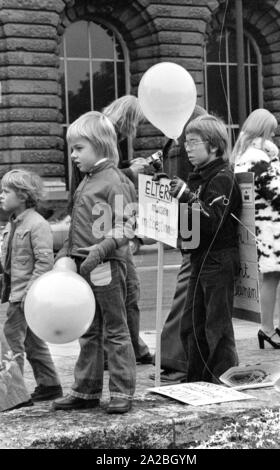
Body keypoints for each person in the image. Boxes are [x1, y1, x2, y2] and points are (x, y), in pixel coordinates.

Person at [53, 111, 136, 414]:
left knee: (115, 329)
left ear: (100, 145)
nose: (73, 155)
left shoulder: (115, 181)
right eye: (72, 148)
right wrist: (64, 253)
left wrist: (101, 250)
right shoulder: (87, 180)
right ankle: (85, 390)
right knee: (88, 328)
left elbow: (128, 225)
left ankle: (122, 391)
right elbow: (78, 224)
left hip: (106, 265)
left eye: (78, 148)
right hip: (83, 264)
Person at [70, 95, 153, 366]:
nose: (74, 155)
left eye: (77, 149)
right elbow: (110, 196)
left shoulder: (99, 158)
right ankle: (126, 353)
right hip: (103, 245)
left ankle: (121, 363)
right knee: (124, 300)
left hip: (104, 246)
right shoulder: (98, 144)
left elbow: (121, 215)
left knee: (112, 314)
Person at [169, 114, 242, 383]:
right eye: (185, 142)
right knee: (192, 324)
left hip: (218, 258)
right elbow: (190, 219)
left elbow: (212, 220)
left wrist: (186, 196)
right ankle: (197, 378)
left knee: (217, 326)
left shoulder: (223, 177)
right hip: (200, 257)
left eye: (193, 142)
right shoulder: (199, 176)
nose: (187, 147)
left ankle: (222, 378)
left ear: (213, 145)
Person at [150, 104, 207, 383]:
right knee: (189, 289)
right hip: (189, 220)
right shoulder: (186, 127)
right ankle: (174, 358)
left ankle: (174, 358)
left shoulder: (182, 128)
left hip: (188, 220)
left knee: (188, 289)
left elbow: (186, 182)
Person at [0, 169, 63, 403]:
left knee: (12, 340)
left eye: (6, 192)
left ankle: (14, 394)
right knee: (32, 341)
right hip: (17, 293)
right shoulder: (13, 224)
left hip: (26, 295)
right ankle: (50, 384)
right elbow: (7, 262)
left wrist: (29, 294)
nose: (1, 196)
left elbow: (45, 262)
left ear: (23, 195)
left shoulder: (37, 224)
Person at [233, 108, 280, 349]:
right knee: (272, 276)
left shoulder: (250, 155)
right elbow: (276, 194)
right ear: (263, 130)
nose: (275, 134)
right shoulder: (256, 157)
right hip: (271, 228)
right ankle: (268, 328)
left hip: (271, 226)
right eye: (273, 130)